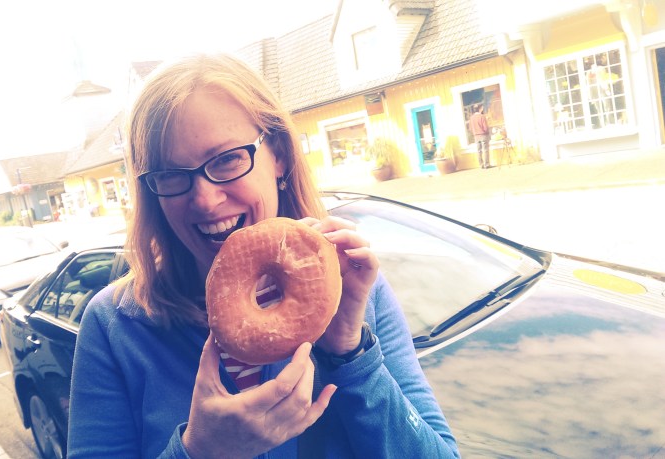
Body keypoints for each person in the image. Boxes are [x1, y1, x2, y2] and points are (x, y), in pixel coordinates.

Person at [68, 53, 459, 458]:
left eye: (227, 160)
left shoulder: (357, 293)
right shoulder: (114, 326)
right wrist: (201, 450)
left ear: (278, 155)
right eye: (170, 174)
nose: (204, 199)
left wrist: (349, 354)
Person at [469, 103, 491, 168]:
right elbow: (485, 128)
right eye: (482, 108)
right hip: (483, 135)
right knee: (485, 150)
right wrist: (487, 132)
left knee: (479, 151)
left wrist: (475, 133)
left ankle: (481, 165)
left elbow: (470, 129)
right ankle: (486, 164)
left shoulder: (471, 118)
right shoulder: (482, 116)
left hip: (476, 136)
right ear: (480, 109)